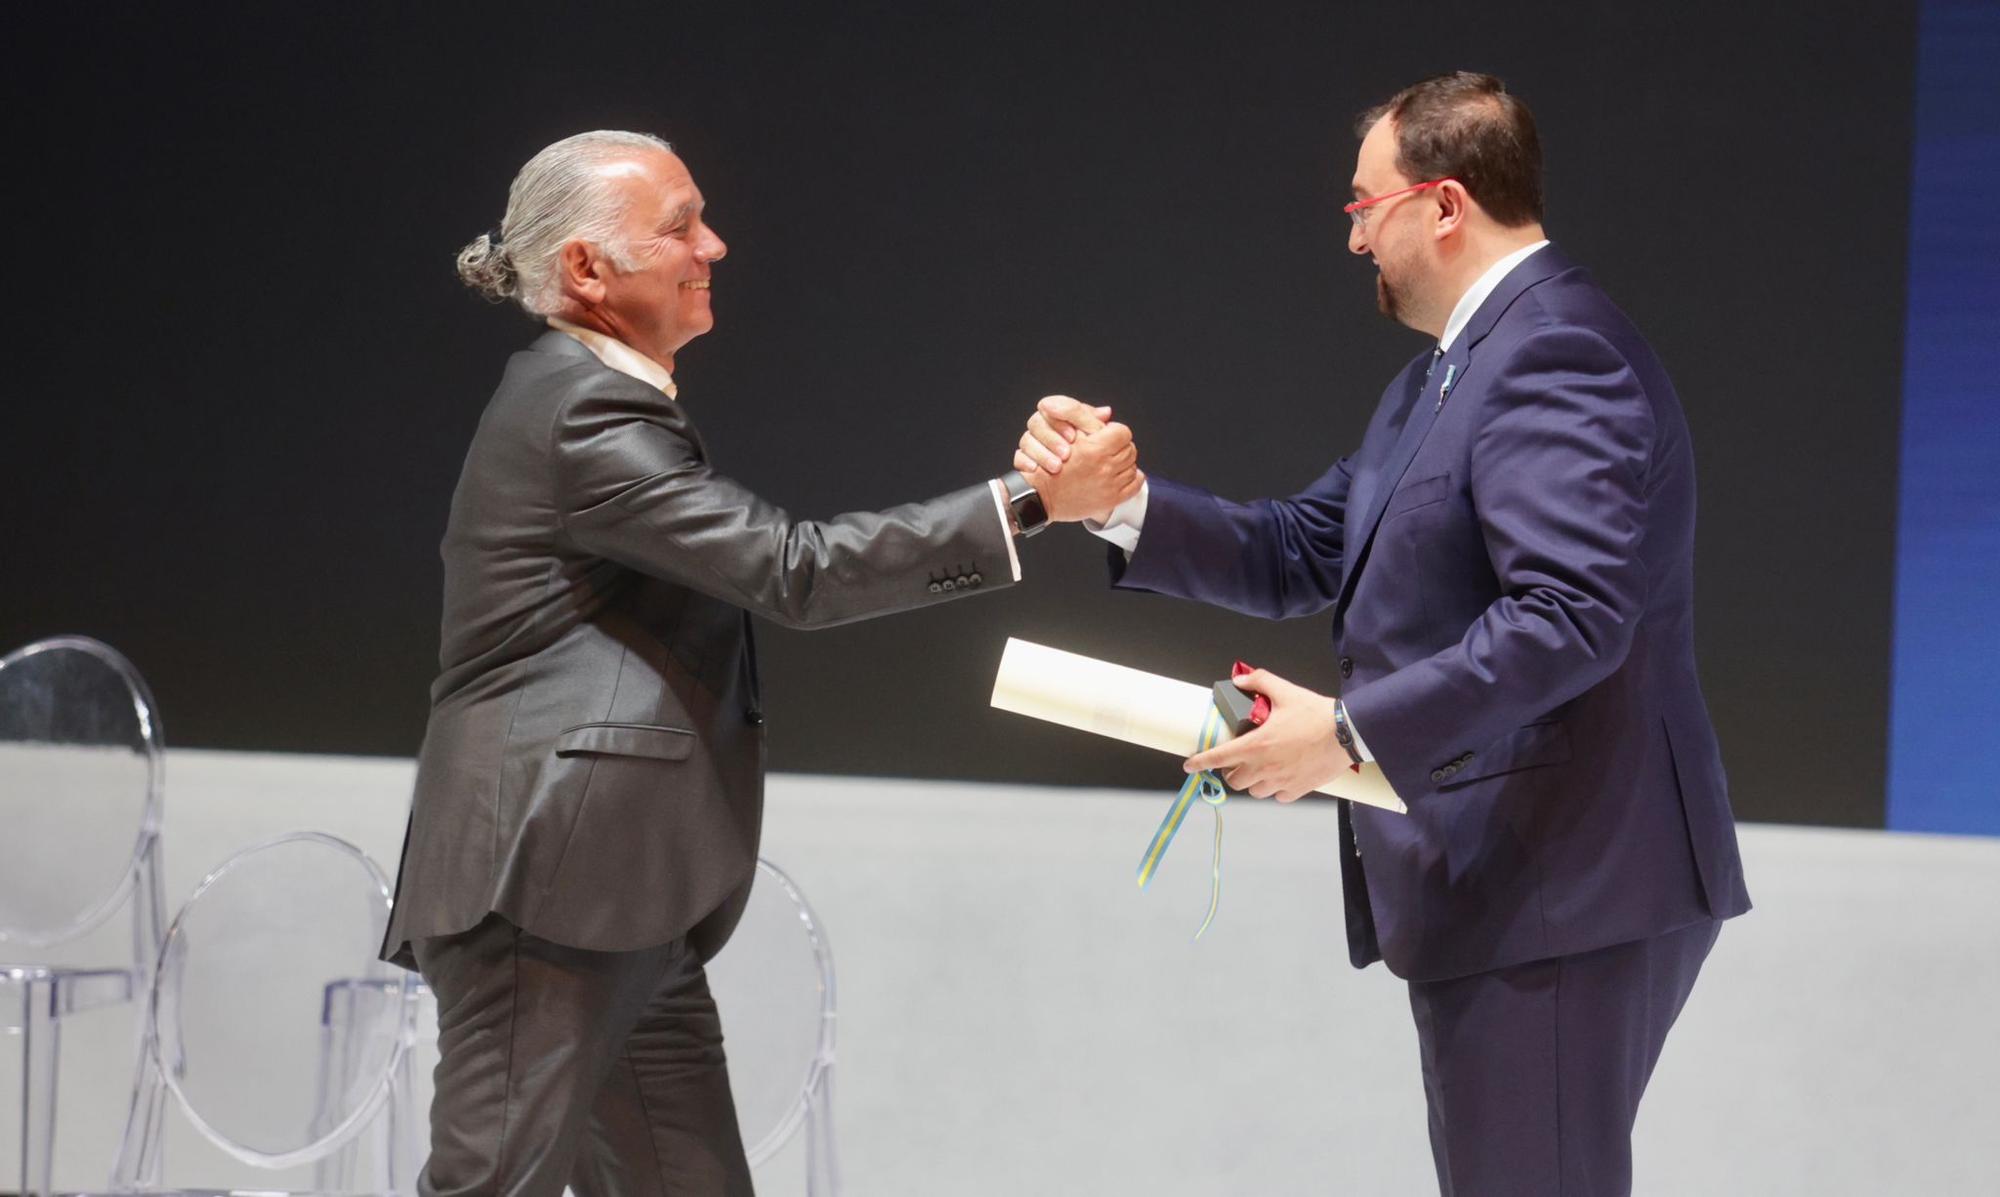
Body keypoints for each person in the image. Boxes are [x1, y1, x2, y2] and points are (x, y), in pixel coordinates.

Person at [1017, 73, 1750, 1197]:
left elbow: (1568, 620)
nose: (1353, 239)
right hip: (1515, 883)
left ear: (1441, 205)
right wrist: (1112, 504)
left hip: (1558, 882)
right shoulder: (1443, 377)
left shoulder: (1553, 354)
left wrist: (1347, 735)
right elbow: (1300, 548)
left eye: (1363, 208)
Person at [380, 130, 1139, 1196]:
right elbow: (795, 571)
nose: (715, 245)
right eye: (679, 226)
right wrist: (1033, 504)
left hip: (615, 895)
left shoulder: (592, 400)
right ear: (586, 272)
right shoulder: (579, 412)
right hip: (543, 886)